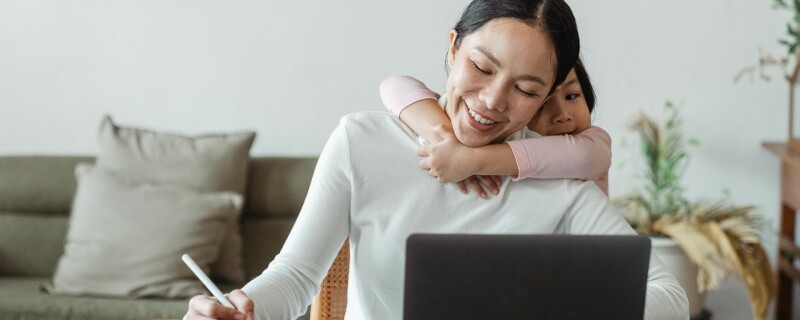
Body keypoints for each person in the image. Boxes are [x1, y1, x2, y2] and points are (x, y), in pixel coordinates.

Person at [185, 0, 689, 319]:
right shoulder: (363, 142)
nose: (492, 100)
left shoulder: (560, 181)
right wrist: (236, 308)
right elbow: (295, 278)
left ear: (545, 100)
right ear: (452, 49)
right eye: (480, 67)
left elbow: (669, 296)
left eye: (525, 89)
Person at [379, 58, 611, 198]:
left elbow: (585, 157)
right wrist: (446, 140)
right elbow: (394, 85)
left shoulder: (592, 142)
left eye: (572, 96)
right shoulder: (503, 135)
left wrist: (471, 159)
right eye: (543, 104)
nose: (562, 115)